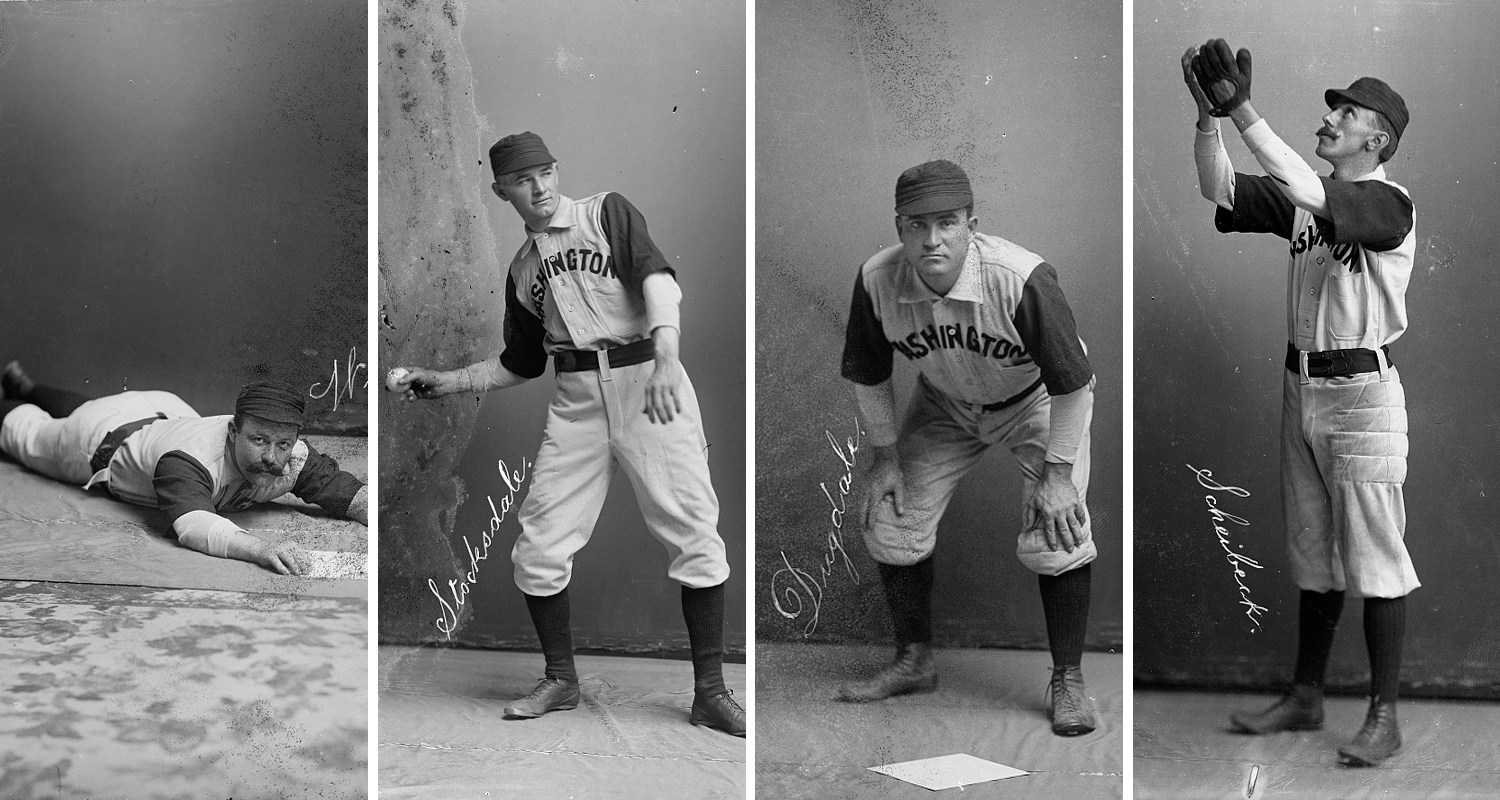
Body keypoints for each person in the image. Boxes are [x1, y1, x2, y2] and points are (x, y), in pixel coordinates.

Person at [389, 131, 744, 737]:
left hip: (647, 382)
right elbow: (521, 362)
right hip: (577, 402)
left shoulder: (604, 212)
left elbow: (658, 278)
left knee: (695, 535)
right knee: (539, 547)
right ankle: (561, 680)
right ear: (503, 191)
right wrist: (443, 382)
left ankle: (711, 691)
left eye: (547, 172)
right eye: (525, 180)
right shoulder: (523, 270)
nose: (542, 187)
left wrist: (666, 355)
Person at [1183, 39, 1416, 767]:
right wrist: (1208, 123)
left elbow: (1319, 195)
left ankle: (1384, 717)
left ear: (1375, 139)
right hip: (1302, 388)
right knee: (1313, 552)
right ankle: (1307, 695)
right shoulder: (1307, 197)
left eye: (1346, 114)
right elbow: (1218, 190)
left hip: (1362, 395)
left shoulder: (1390, 204)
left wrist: (1244, 109)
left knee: (1377, 556)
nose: (1333, 121)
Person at [837, 158, 1100, 736]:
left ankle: (1068, 679)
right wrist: (885, 458)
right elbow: (867, 373)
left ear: (971, 225)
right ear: (899, 225)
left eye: (947, 223)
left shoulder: (1020, 277)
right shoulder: (877, 279)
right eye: (916, 224)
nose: (932, 238)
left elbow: (1074, 385)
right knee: (891, 518)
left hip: (1036, 403)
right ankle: (914, 660)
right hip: (945, 404)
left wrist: (1057, 474)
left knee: (1056, 533)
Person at [0, 362, 368, 576]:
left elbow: (341, 489)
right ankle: (20, 393)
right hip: (98, 439)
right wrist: (260, 549)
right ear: (232, 430)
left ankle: (26, 384)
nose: (273, 457)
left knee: (91, 404)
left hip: (163, 411)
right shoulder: (187, 460)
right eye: (258, 441)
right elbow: (194, 525)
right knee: (26, 433)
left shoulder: (293, 455)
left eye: (282, 444)